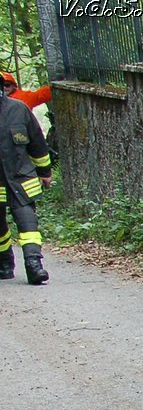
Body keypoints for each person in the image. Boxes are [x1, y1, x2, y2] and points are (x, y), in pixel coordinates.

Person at [0, 87, 51, 285]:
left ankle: (34, 265)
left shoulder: (19, 110)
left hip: (22, 179)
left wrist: (45, 172)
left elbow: (37, 143)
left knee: (28, 222)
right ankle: (5, 263)